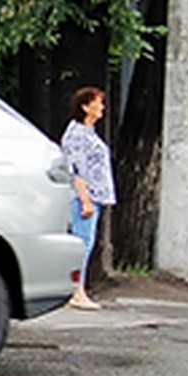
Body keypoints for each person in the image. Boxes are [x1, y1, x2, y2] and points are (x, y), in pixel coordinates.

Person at [61, 85, 117, 310]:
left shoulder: (88, 132)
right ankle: (76, 291)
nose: (102, 107)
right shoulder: (77, 135)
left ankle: (75, 289)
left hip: (93, 196)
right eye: (98, 103)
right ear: (85, 106)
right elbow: (76, 171)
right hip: (84, 197)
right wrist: (85, 200)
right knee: (82, 244)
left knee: (86, 242)